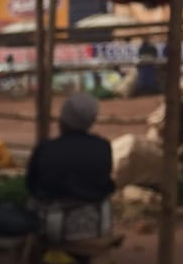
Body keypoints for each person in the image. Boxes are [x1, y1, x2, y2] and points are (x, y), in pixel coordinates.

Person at [27, 93, 116, 242]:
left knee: (32, 202)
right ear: (91, 122)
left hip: (56, 228)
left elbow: (31, 185)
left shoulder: (46, 149)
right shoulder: (103, 146)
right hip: (98, 225)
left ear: (62, 120)